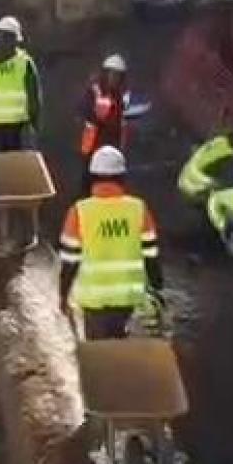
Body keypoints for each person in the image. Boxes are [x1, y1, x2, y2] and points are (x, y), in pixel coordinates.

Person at [59, 146, 162, 340]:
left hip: (94, 300)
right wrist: (157, 286)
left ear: (92, 177)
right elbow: (151, 255)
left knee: (99, 351)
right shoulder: (139, 209)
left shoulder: (79, 211)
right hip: (128, 298)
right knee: (121, 346)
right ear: (122, 177)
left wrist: (63, 295)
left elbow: (69, 260)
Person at [0, 16, 42, 153]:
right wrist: (35, 124)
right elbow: (34, 95)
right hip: (17, 126)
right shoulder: (24, 62)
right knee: (14, 169)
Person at [78, 54, 129, 194]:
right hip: (93, 145)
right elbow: (83, 111)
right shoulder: (95, 91)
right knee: (89, 183)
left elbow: (121, 120)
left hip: (112, 146)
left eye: (118, 75)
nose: (114, 78)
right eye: (112, 74)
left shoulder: (120, 96)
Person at [177, 125, 233, 205]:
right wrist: (215, 185)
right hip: (192, 190)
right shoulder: (229, 155)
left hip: (183, 178)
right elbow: (200, 169)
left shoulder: (221, 140)